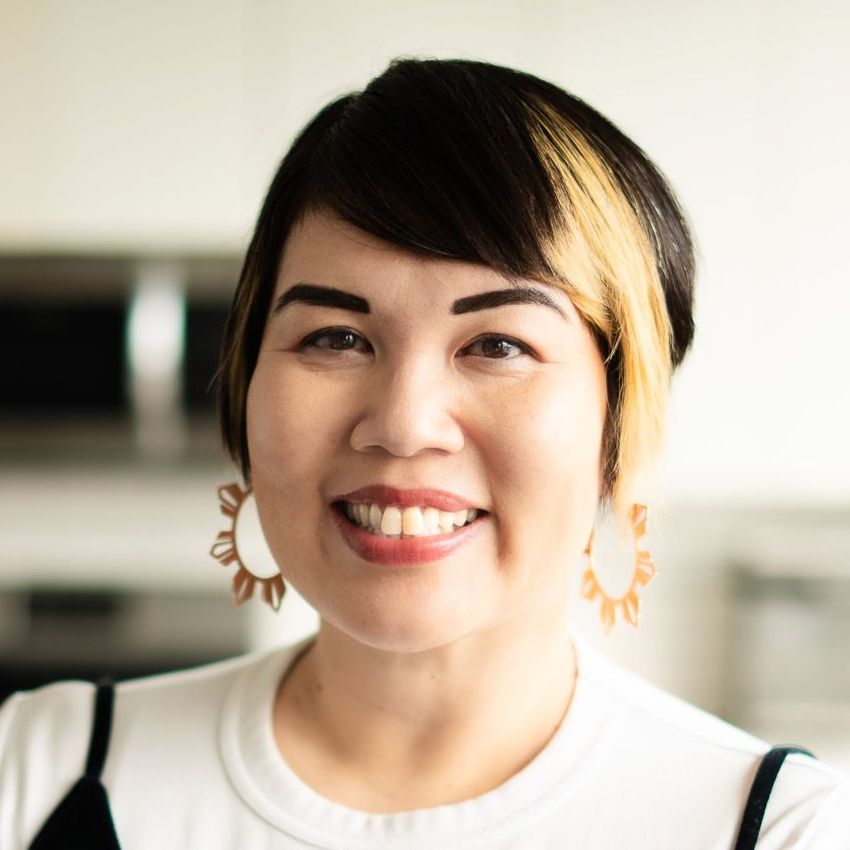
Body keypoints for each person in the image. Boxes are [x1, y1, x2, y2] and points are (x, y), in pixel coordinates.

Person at [1, 58, 847, 850]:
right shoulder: (36, 777)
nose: (403, 425)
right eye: (335, 336)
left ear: (619, 422)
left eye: (499, 345)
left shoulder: (775, 829)